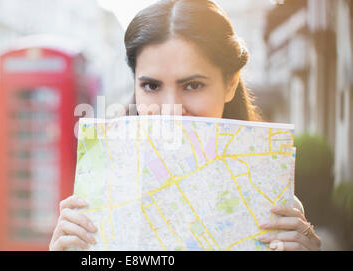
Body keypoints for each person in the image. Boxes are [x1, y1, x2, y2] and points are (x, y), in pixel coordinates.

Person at [50, 0, 322, 251]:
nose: (171, 110)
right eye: (152, 85)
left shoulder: (273, 207)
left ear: (230, 83)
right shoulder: (100, 195)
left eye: (193, 85)